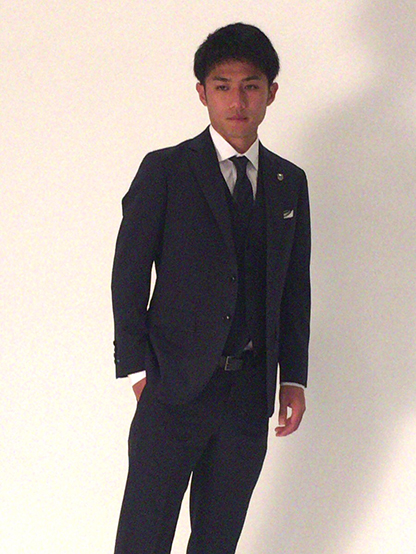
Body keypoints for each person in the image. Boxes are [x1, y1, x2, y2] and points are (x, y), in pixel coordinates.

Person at [111, 22, 311, 554]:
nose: (237, 101)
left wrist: (293, 376)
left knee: (218, 540)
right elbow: (128, 272)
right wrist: (136, 368)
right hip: (171, 386)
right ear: (202, 93)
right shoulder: (165, 170)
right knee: (143, 537)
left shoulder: (289, 182)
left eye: (250, 86)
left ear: (271, 92)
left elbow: (294, 285)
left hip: (248, 393)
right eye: (223, 86)